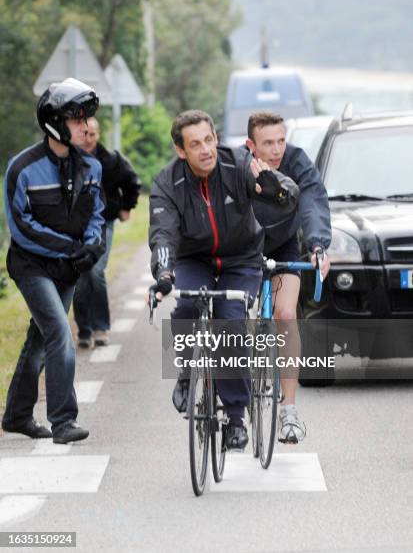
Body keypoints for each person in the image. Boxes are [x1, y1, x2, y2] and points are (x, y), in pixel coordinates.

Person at [148, 109, 294, 450]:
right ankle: (186, 372)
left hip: (240, 258)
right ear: (181, 151)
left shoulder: (239, 165)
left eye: (209, 140)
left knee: (230, 322)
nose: (206, 150)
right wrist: (164, 273)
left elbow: (286, 194)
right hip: (193, 258)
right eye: (195, 144)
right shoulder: (167, 183)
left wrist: (276, 189)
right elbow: (163, 234)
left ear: (217, 139)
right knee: (185, 304)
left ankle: (236, 417)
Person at [2, 78, 105, 444]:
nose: (85, 126)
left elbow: (96, 214)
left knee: (41, 338)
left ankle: (16, 414)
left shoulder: (92, 168)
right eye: (76, 119)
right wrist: (69, 247)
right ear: (54, 122)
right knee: (60, 332)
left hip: (68, 268)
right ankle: (63, 421)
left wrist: (92, 245)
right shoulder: (23, 168)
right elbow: (21, 226)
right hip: (32, 265)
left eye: (86, 119)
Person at [246, 111, 331, 444]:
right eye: (268, 143)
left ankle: (288, 410)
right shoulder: (239, 165)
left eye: (281, 140)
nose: (277, 148)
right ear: (252, 145)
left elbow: (312, 200)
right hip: (245, 249)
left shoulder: (296, 161)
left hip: (283, 248)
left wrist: (317, 244)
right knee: (232, 314)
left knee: (284, 315)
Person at [73, 117, 141, 349]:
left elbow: (133, 182)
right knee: (81, 274)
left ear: (98, 134)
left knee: (96, 271)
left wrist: (126, 207)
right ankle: (84, 329)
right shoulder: (69, 159)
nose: (88, 139)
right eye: (85, 134)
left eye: (93, 134)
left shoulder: (111, 160)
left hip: (103, 222)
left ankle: (101, 326)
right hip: (76, 226)